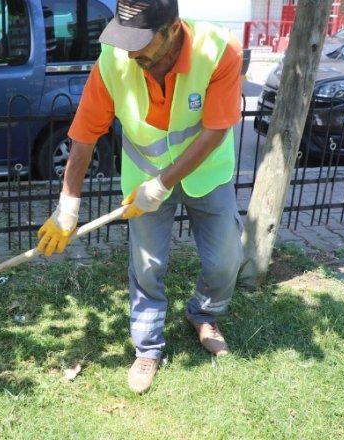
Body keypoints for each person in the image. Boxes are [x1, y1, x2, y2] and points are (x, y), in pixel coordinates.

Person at [36, 0, 244, 394]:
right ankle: (147, 347)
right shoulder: (114, 61)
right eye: (126, 41)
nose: (131, 53)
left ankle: (203, 313)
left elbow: (216, 129)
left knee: (225, 261)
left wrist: (164, 184)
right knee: (147, 267)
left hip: (207, 174)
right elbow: (84, 135)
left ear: (173, 29)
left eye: (141, 43)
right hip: (142, 181)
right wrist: (69, 204)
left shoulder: (219, 50)